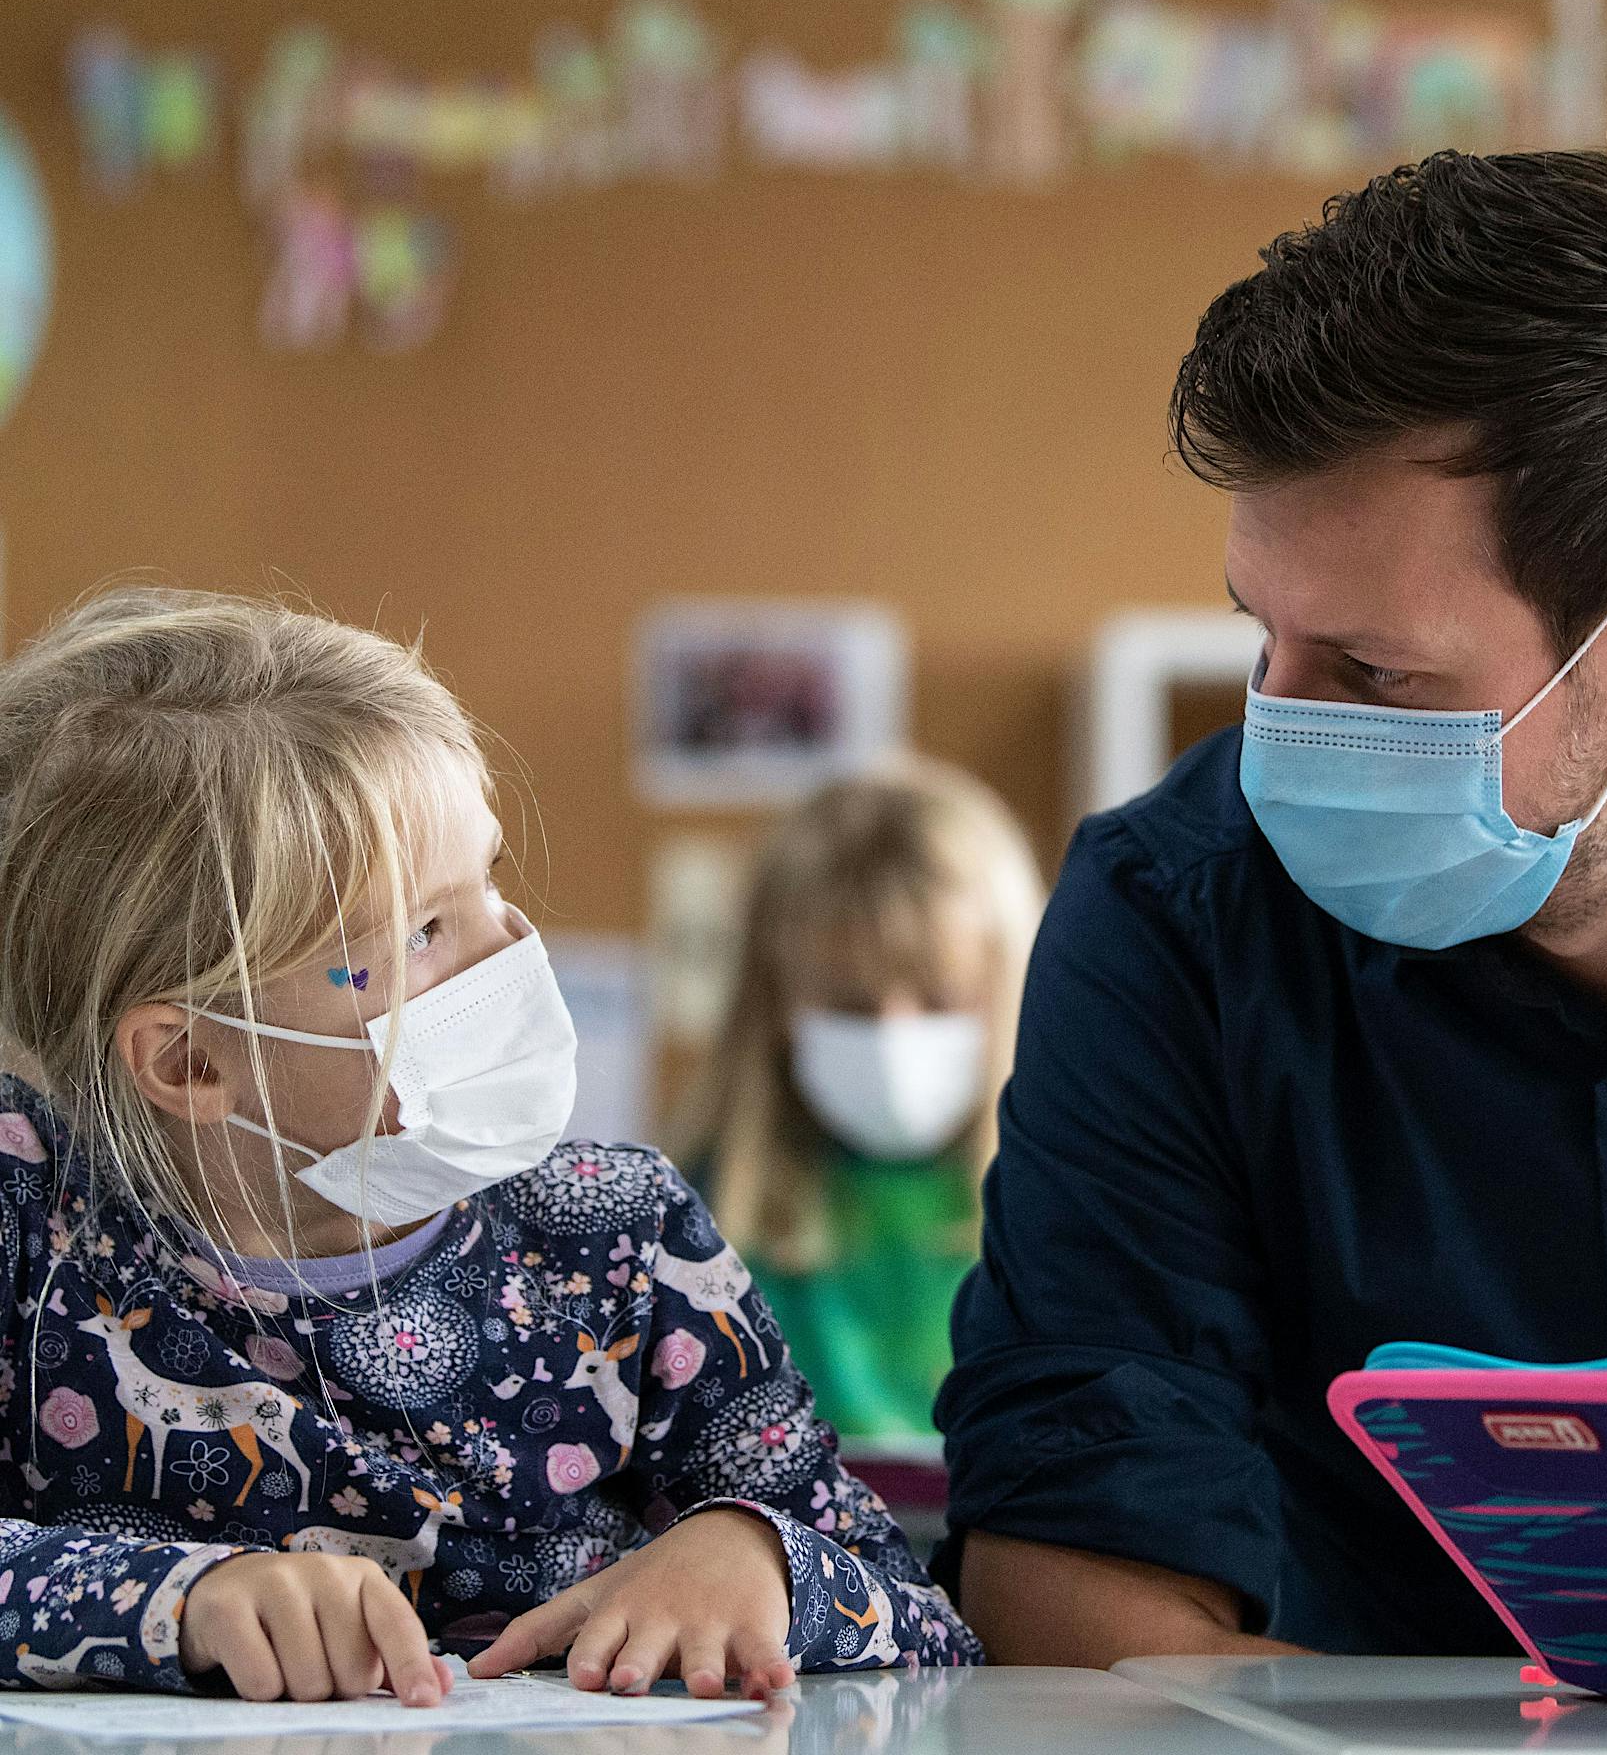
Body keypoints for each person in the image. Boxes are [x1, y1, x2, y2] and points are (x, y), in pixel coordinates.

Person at [938, 148, 1607, 1665]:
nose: (1277, 736)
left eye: (1374, 675)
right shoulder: (1175, 917)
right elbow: (1074, 1593)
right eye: (1266, 638)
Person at [0, 588, 978, 1699]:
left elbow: (921, 1617)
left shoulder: (621, 1240)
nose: (511, 946)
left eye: (489, 880)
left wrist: (761, 1560)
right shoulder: (30, 1216)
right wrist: (181, 1601)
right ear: (187, 1062)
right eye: (420, 930)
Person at [680, 760, 1044, 1454]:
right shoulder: (696, 1221)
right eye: (849, 1003)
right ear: (774, 1001)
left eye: (939, 998)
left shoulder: (1075, 1216)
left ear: (1008, 991)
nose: (894, 1035)